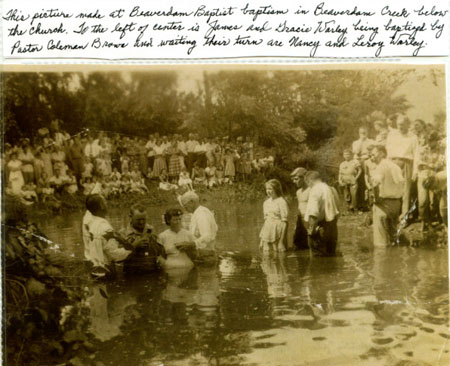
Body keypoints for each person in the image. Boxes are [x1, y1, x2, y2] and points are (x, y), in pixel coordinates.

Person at [82, 194, 133, 279]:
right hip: (104, 271)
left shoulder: (90, 223)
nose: (107, 204)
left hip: (93, 268)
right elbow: (114, 254)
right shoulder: (104, 227)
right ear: (102, 206)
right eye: (105, 202)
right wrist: (132, 249)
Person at [370, 145, 405, 247]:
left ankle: (382, 261)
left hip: (383, 204)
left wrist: (375, 200)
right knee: (393, 236)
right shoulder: (395, 166)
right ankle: (395, 260)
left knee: (381, 242)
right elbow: (401, 184)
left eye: (374, 153)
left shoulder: (381, 166)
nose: (372, 156)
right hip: (396, 204)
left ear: (382, 153)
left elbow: (375, 184)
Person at [386, 115, 418, 218]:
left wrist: (415, 171)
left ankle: (404, 216)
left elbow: (416, 154)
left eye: (403, 124)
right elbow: (388, 150)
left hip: (407, 163)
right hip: (393, 162)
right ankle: (393, 213)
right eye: (399, 124)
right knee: (393, 188)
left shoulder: (413, 136)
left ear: (407, 125)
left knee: (405, 191)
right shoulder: (392, 135)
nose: (400, 127)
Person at [118, 204, 166, 274]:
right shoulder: (122, 233)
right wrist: (134, 246)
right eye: (138, 220)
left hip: (152, 272)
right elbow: (118, 258)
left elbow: (161, 252)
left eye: (144, 219)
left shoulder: (151, 230)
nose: (141, 222)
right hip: (132, 274)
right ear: (130, 217)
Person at [304, 171, 340, 256]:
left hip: (320, 227)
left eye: (308, 183)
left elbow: (313, 213)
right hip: (333, 227)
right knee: (331, 257)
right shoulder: (331, 189)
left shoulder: (315, 190)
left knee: (317, 260)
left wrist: (311, 231)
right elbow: (338, 209)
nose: (308, 186)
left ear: (310, 181)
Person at [178, 191, 218, 261]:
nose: (184, 208)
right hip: (203, 253)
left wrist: (192, 244)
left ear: (192, 202)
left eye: (185, 205)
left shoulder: (201, 214)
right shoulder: (197, 213)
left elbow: (207, 236)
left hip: (206, 255)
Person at [259, 179, 289, 252]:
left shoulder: (281, 202)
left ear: (276, 189)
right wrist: (262, 240)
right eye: (266, 189)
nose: (268, 191)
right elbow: (266, 220)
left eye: (270, 189)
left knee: (278, 254)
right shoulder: (266, 203)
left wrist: (281, 241)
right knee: (266, 253)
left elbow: (285, 222)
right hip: (267, 231)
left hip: (278, 231)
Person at [291, 168, 310, 250]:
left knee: (310, 243)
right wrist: (296, 224)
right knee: (297, 244)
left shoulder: (311, 190)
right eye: (293, 179)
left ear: (304, 178)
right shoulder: (298, 192)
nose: (294, 182)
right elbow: (299, 207)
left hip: (309, 218)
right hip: (301, 219)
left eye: (296, 179)